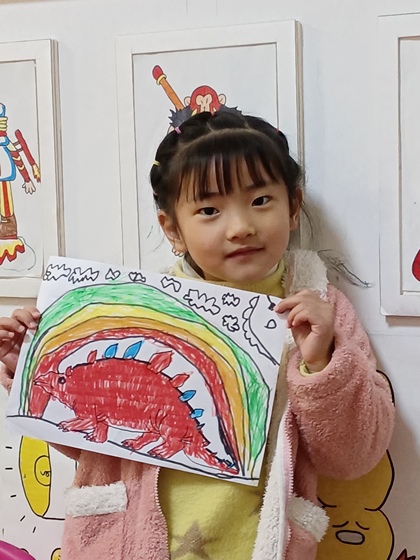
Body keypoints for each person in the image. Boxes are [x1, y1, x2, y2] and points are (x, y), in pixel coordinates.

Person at [0, 110, 394, 560]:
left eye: (260, 200)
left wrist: (322, 364)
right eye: (209, 210)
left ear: (292, 207)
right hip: (126, 545)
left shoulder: (322, 312)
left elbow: (354, 457)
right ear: (173, 229)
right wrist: (26, 366)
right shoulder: (137, 310)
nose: (240, 227)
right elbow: (93, 441)